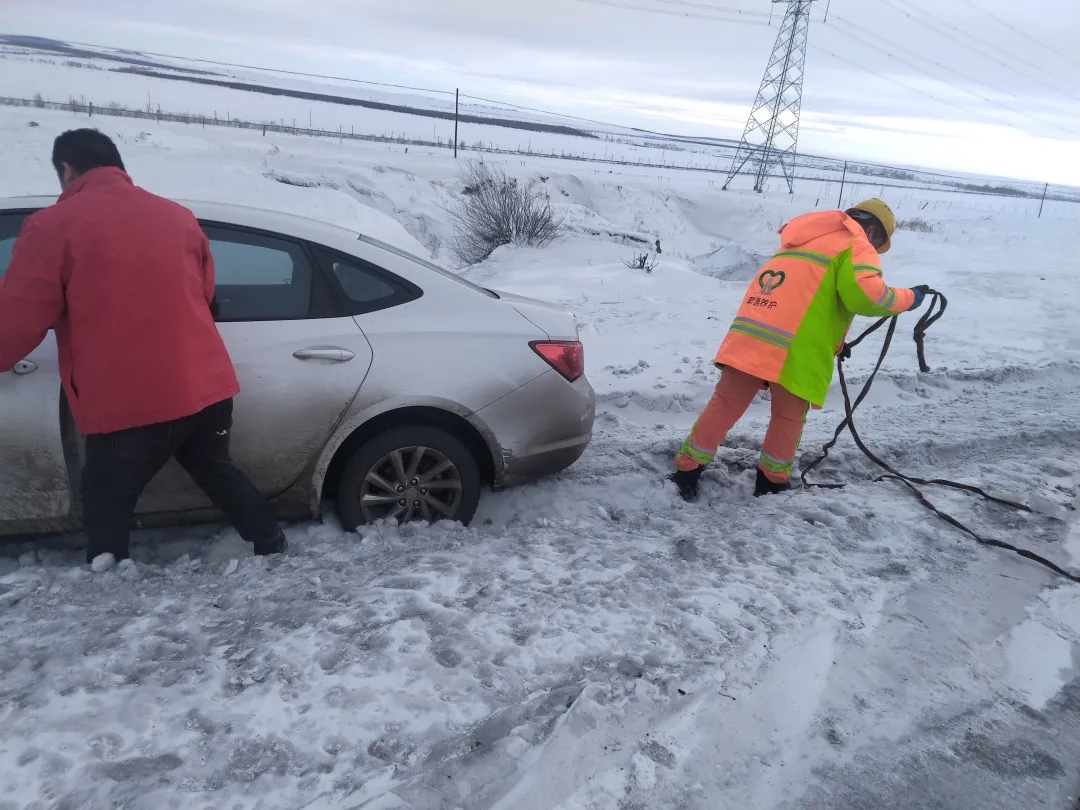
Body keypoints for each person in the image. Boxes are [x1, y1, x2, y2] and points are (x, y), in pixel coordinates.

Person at [0, 129, 288, 564]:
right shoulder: (177, 216)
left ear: (66, 169)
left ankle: (109, 575)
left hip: (129, 400)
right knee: (216, 469)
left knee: (104, 492)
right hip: (205, 387)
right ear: (118, 165)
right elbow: (204, 293)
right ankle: (272, 544)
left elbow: (17, 321)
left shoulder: (50, 227)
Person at [670, 198, 928, 501]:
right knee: (788, 418)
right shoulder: (857, 244)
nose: (875, 245)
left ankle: (686, 472)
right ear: (872, 230)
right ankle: (771, 483)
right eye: (879, 240)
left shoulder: (802, 239)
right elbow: (866, 297)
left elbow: (807, 297)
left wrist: (836, 343)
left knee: (724, 405)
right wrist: (910, 298)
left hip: (752, 335)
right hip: (796, 349)